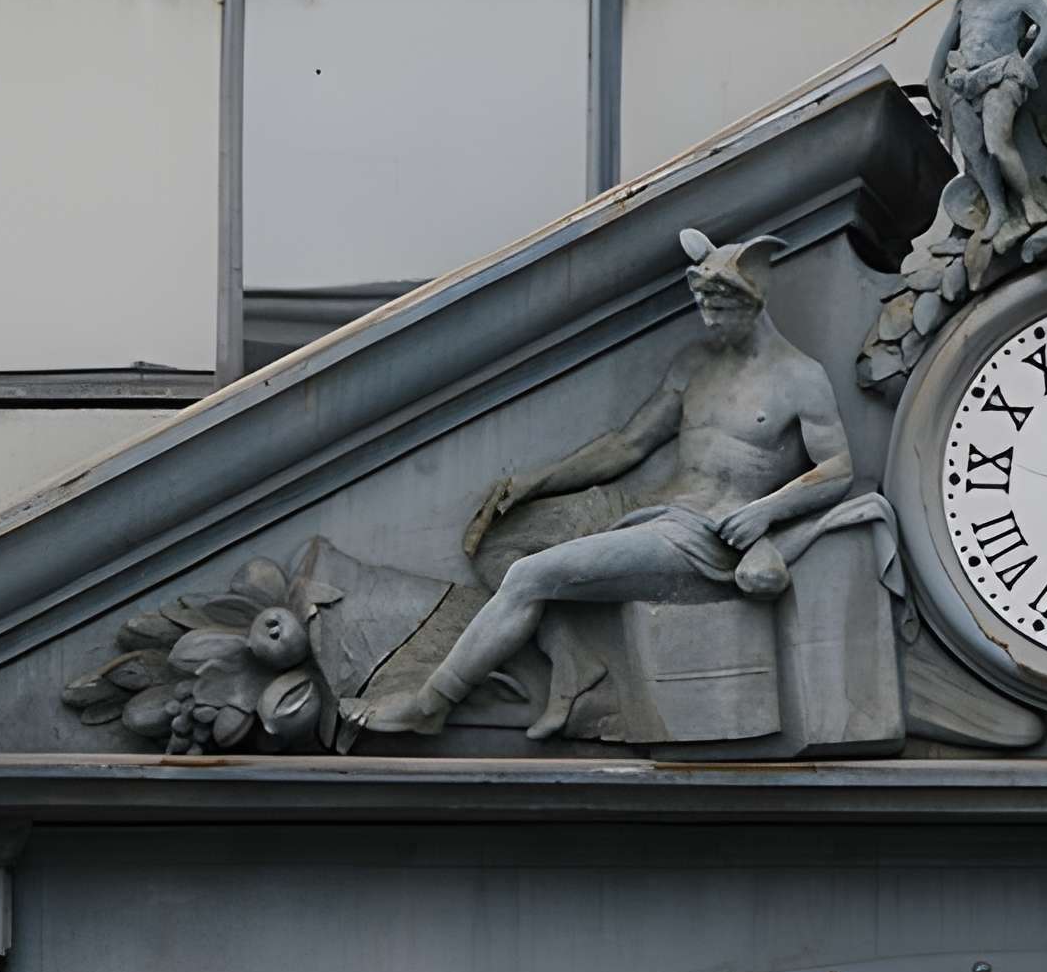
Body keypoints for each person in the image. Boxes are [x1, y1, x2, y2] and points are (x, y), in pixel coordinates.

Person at [347, 231, 859, 738]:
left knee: (528, 575)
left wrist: (766, 511)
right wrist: (536, 482)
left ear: (752, 301)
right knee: (502, 544)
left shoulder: (800, 378)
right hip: (655, 514)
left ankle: (430, 703)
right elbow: (627, 445)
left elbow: (837, 468)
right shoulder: (694, 363)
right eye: (703, 307)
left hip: (706, 540)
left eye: (719, 309)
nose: (708, 321)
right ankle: (573, 666)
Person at [929, 0, 1047, 237]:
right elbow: (948, 40)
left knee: (996, 146)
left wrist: (1026, 63)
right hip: (964, 81)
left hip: (1002, 77)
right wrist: (934, 79)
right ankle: (998, 209)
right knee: (974, 154)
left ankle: (1030, 203)